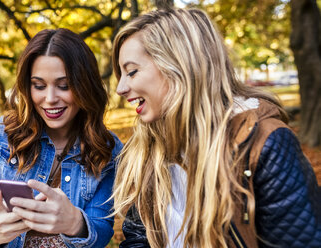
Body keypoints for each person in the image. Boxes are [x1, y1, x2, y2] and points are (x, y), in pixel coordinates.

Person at [111, 8, 321, 248]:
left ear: (179, 65)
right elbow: (138, 239)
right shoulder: (146, 151)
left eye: (132, 72)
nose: (121, 88)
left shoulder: (264, 144)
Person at [0, 28, 123, 248]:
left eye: (64, 86)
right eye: (39, 86)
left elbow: (102, 230)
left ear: (85, 86)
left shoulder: (107, 148)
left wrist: (75, 223)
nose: (50, 98)